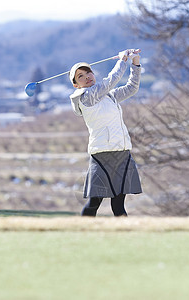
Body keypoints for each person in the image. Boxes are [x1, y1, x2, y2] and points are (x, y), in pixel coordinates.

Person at [69, 49, 143, 217]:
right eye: (80, 76)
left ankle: (124, 237)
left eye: (88, 72)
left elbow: (132, 88)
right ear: (76, 85)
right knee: (94, 203)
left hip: (122, 152)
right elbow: (111, 81)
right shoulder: (85, 96)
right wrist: (123, 60)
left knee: (118, 204)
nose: (87, 76)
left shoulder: (109, 96)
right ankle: (81, 234)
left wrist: (135, 63)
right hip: (102, 154)